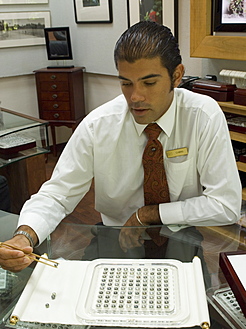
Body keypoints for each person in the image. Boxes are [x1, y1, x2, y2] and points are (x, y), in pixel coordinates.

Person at [0, 21, 241, 272]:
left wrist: (148, 214)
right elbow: (57, 195)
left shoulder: (203, 115)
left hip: (181, 235)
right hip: (113, 238)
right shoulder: (98, 125)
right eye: (126, 83)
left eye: (149, 83)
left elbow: (225, 205)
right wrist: (25, 236)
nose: (135, 97)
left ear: (177, 76)